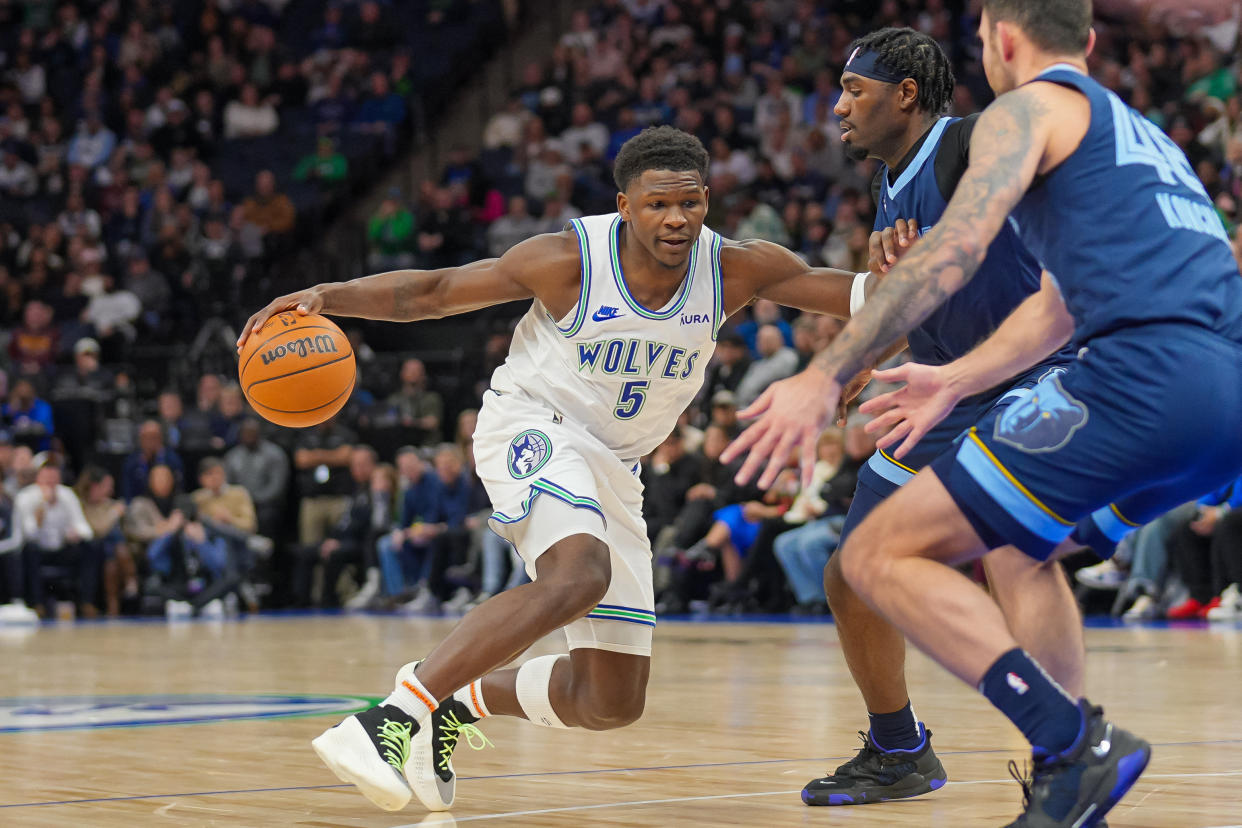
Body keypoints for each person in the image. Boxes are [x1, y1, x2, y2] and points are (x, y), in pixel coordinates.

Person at [238, 125, 894, 814]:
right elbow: (431, 291)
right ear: (624, 205)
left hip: (616, 462)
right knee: (579, 574)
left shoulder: (736, 267)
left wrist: (853, 356)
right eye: (657, 205)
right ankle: (391, 720)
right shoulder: (566, 260)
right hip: (532, 423)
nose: (677, 219)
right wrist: (327, 294)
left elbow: (880, 298)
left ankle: (454, 704)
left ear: (707, 201)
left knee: (609, 700)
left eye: (691, 203)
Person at [724, 3, 1242, 825]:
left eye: (854, 90)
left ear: (1001, 39)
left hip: (1114, 377)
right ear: (1091, 42)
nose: (840, 106)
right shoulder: (1135, 133)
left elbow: (959, 247)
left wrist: (827, 374)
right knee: (1001, 553)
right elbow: (1059, 302)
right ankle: (1052, 780)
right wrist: (948, 375)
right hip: (1213, 391)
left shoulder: (1012, 116)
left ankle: (1073, 746)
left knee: (879, 556)